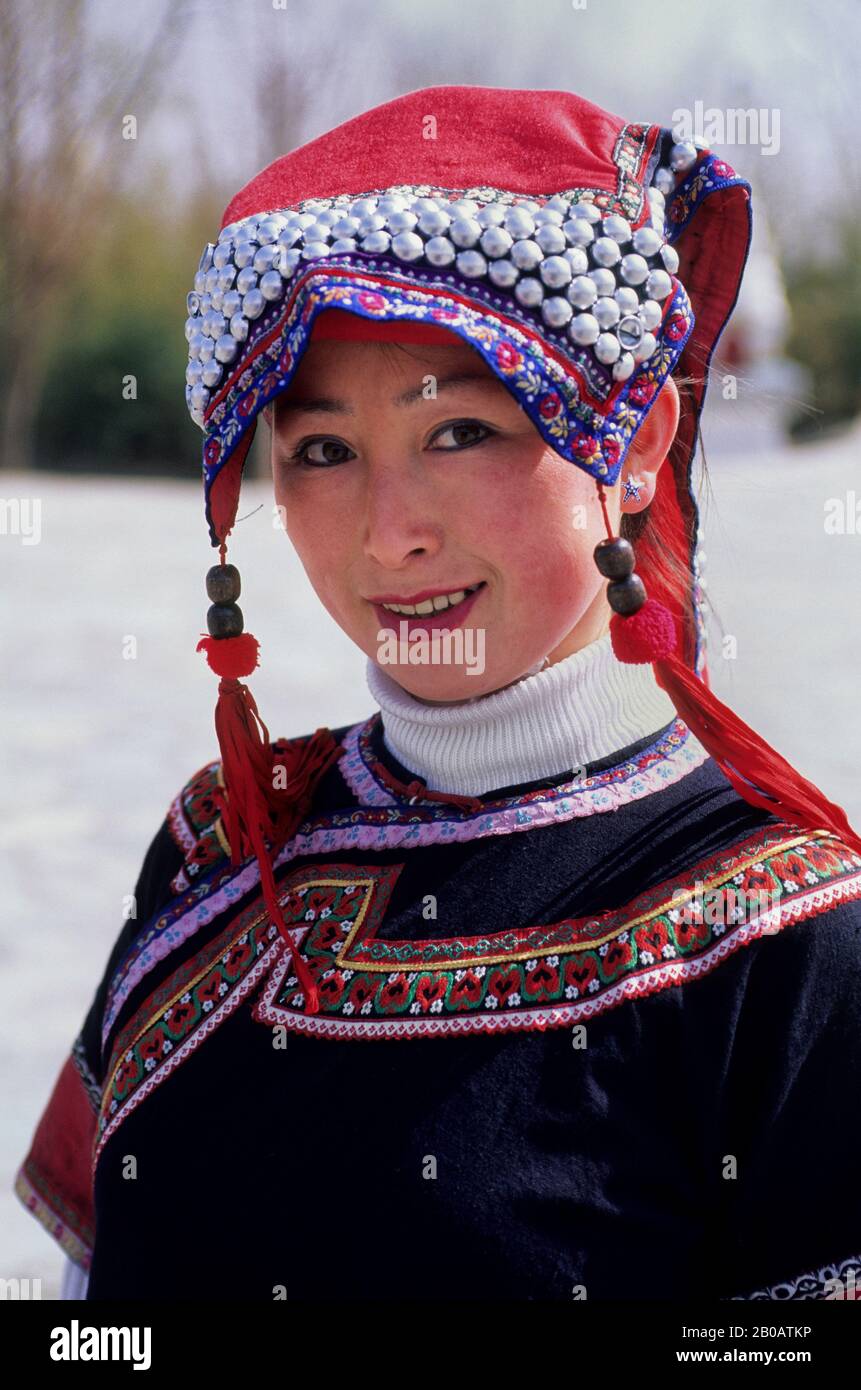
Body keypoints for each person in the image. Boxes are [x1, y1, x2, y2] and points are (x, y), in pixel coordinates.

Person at [15, 84, 861, 1302]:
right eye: (321, 451)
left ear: (627, 443)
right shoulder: (222, 850)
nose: (391, 534)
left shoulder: (785, 944)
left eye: (460, 431)